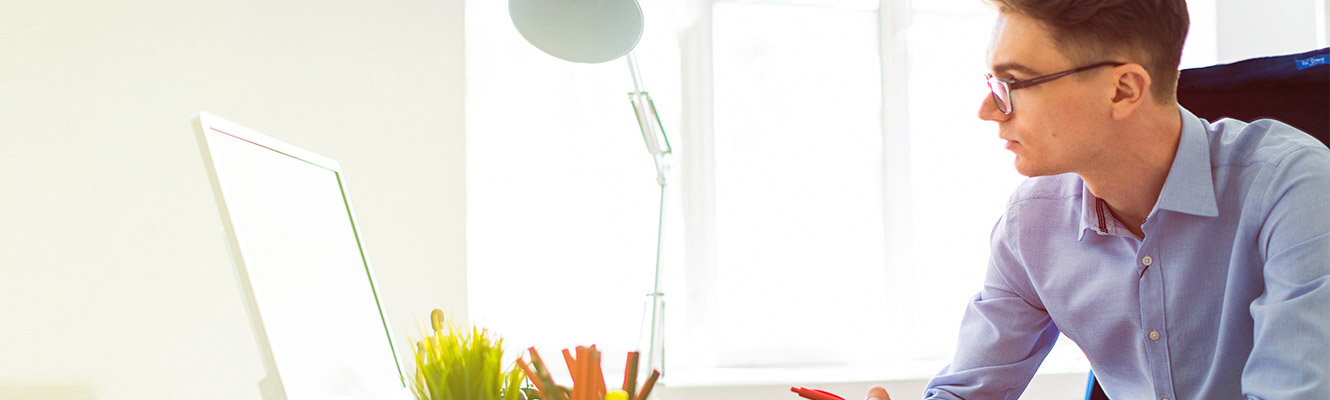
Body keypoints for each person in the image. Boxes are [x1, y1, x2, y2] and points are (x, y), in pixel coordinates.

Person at [866, 0, 1330, 399]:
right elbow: (969, 390)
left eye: (1013, 84)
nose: (987, 110)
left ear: (1123, 89)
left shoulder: (1291, 188)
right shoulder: (1032, 221)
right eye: (992, 83)